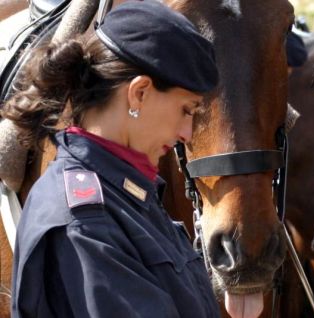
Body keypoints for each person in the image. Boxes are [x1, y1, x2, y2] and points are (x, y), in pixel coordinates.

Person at [3, 1, 221, 317]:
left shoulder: (126, 194)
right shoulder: (85, 223)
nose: (187, 133)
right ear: (139, 93)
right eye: (186, 110)